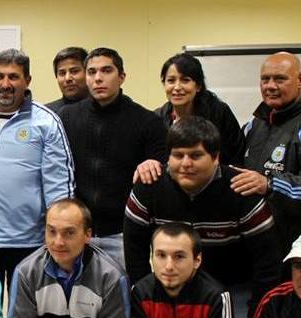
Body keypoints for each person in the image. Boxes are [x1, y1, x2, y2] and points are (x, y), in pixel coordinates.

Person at [123, 116, 281, 318]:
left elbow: (268, 262)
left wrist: (257, 311)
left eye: (196, 156)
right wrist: (147, 298)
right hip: (171, 284)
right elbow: (134, 252)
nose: (186, 163)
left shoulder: (241, 190)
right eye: (178, 155)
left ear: (215, 157)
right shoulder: (149, 188)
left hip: (233, 287)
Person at [0, 48, 74, 288]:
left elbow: (59, 184)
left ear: (27, 80)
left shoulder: (46, 122)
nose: (5, 84)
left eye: (13, 77)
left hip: (28, 242)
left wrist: (58, 234)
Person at [58, 47, 166, 269]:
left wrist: (155, 164)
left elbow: (164, 170)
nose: (98, 78)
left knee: (123, 299)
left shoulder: (147, 122)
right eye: (91, 72)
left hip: (123, 235)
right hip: (78, 233)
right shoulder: (66, 118)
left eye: (106, 70)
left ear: (122, 76)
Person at [230, 52, 301, 249]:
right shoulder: (255, 125)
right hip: (264, 245)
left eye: (280, 79)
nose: (270, 86)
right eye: (265, 79)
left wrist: (269, 184)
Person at [132, 53, 246, 184]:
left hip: (218, 187)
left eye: (185, 80)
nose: (177, 87)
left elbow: (237, 155)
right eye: (171, 80)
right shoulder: (157, 119)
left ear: (198, 86)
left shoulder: (219, 112)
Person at [45, 46, 89, 113]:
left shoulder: (104, 108)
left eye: (74, 71)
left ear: (88, 73)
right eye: (62, 73)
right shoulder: (47, 114)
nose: (67, 78)